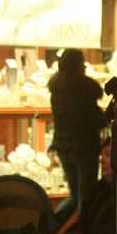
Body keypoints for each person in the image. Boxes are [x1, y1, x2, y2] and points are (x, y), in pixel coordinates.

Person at [48, 48, 107, 222]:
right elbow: (92, 117)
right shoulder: (84, 88)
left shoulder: (57, 88)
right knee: (86, 195)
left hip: (63, 145)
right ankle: (80, 228)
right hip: (84, 147)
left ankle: (55, 224)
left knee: (74, 195)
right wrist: (104, 119)